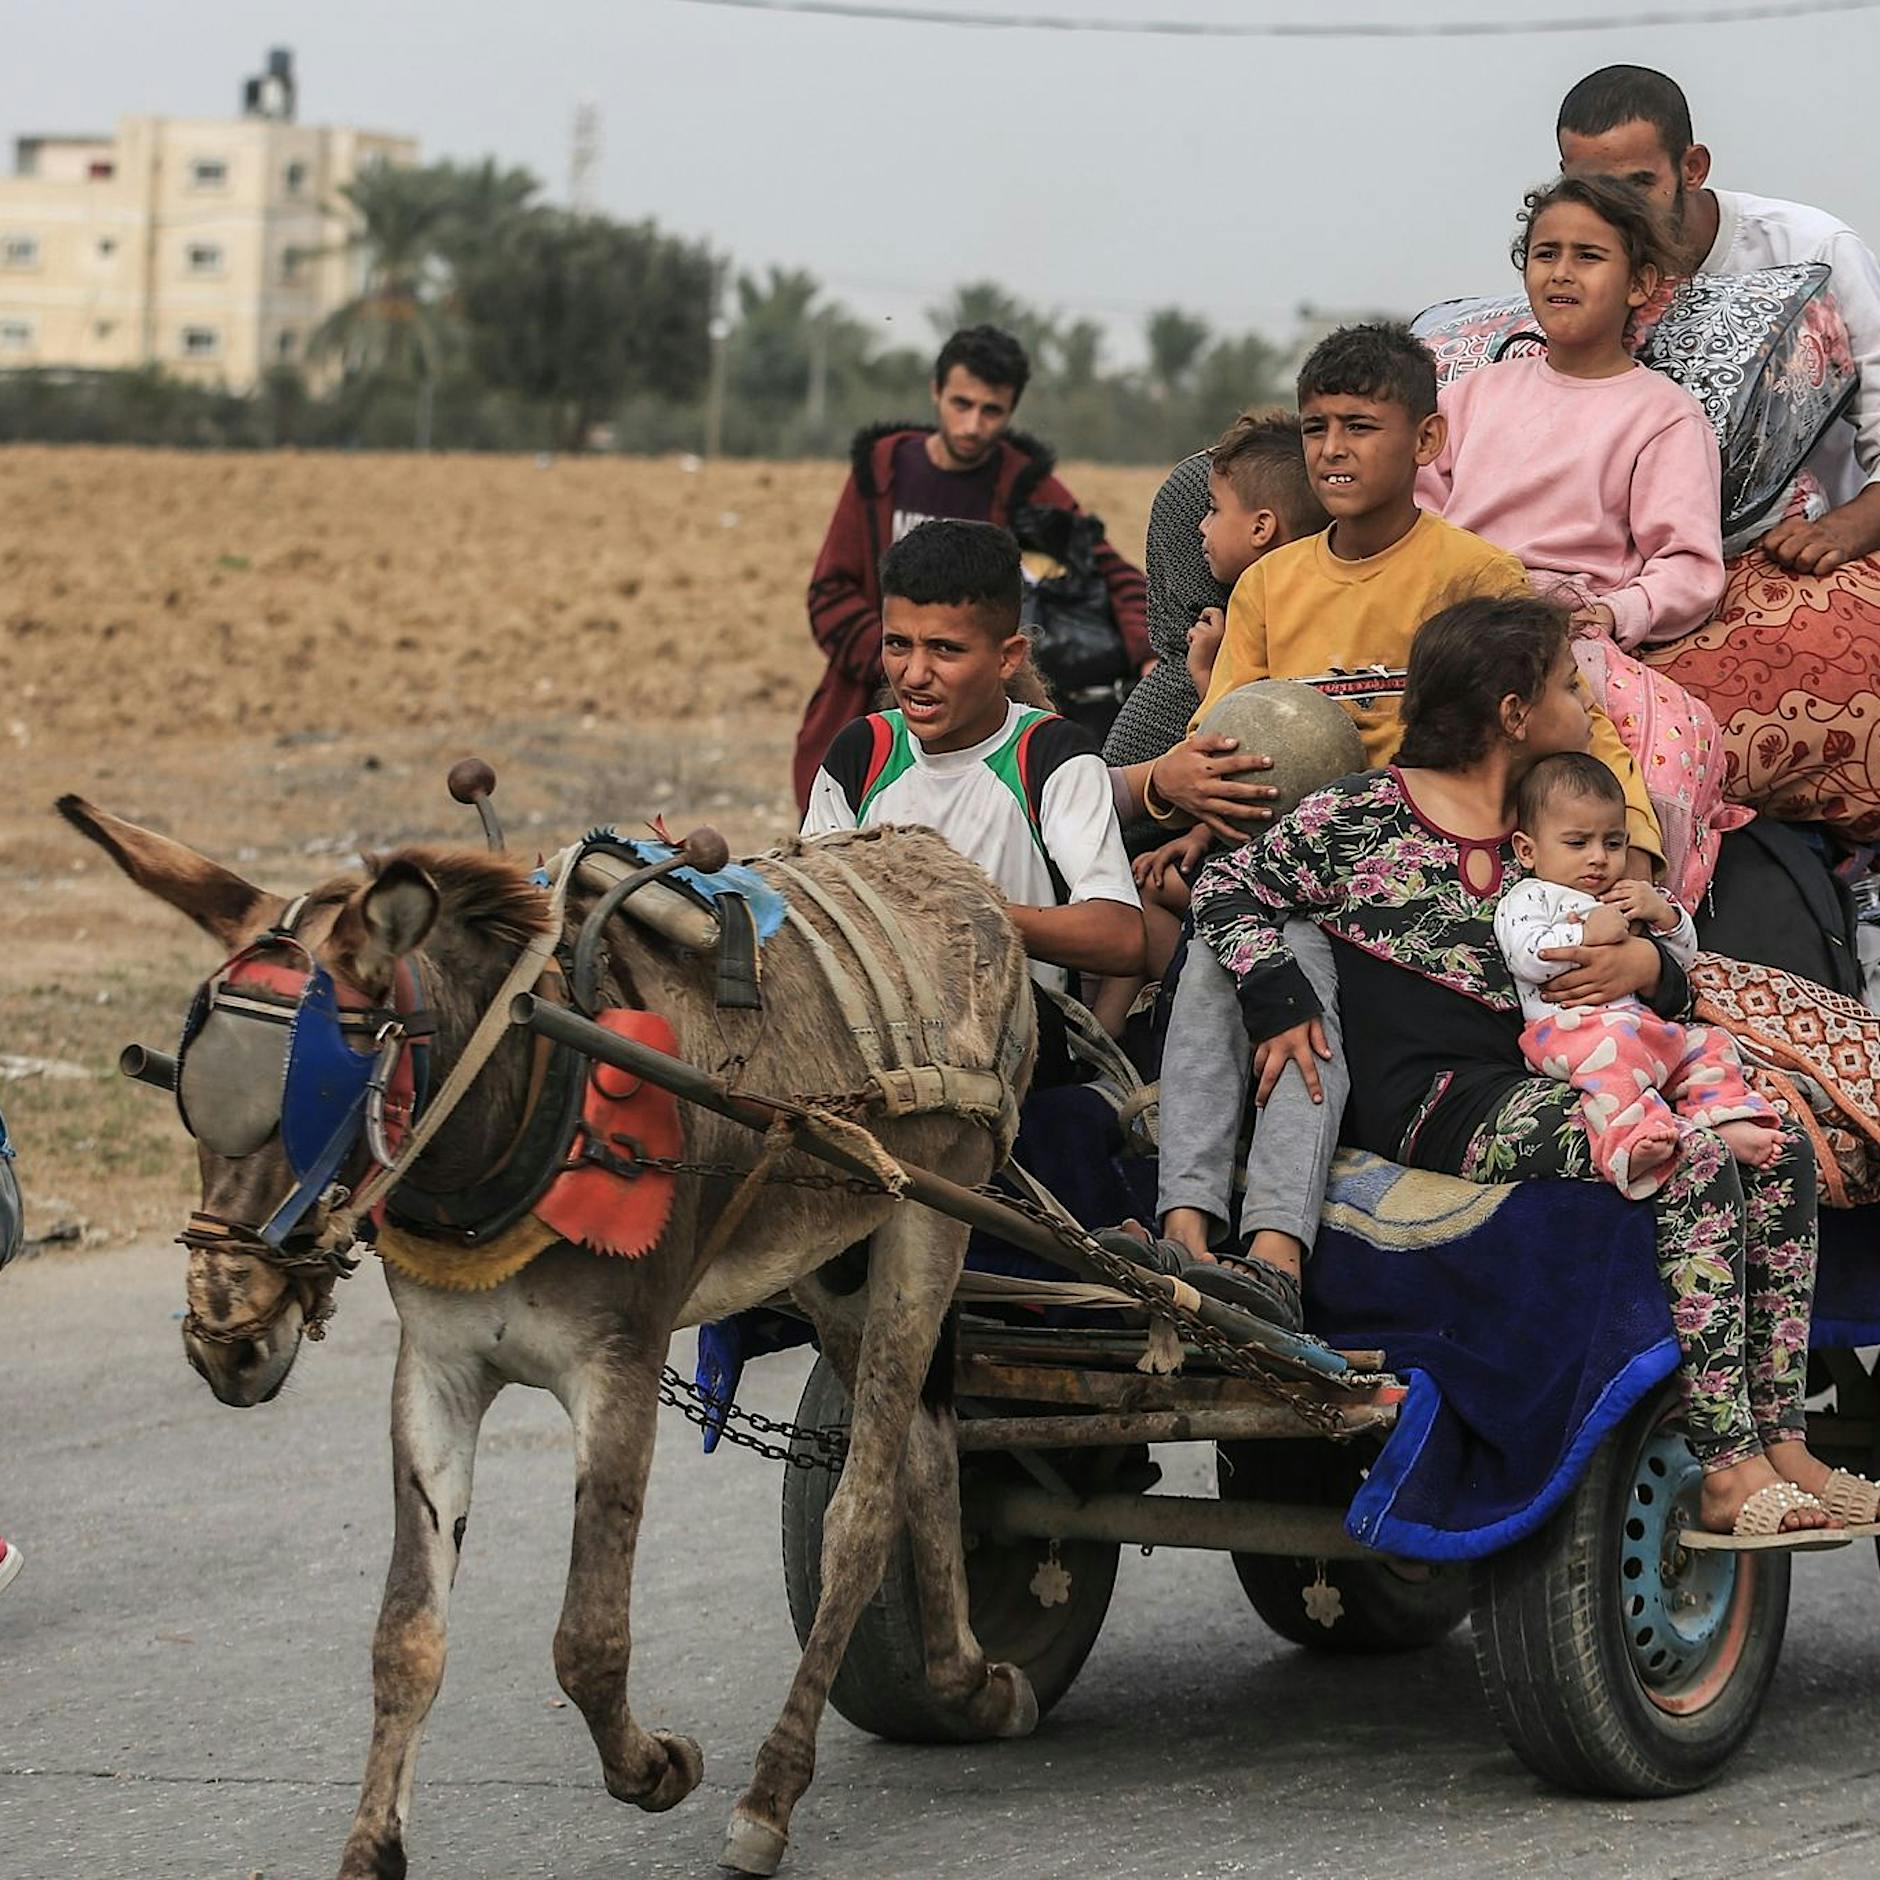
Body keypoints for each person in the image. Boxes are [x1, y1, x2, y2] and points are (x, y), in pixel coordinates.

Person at [1190, 593, 1874, 1545]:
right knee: (1690, 1159)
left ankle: (1783, 1439)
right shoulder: (1362, 816)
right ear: (1514, 712)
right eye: (1564, 685)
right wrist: (1280, 995)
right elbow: (1226, 888)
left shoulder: (1557, 826)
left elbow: (1652, 962)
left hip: (1560, 1073)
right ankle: (1728, 1469)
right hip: (1438, 1099)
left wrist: (1651, 969)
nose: (1584, 700)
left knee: (1779, 1147)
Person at [1151, 323, 1663, 1333]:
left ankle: (1271, 1253)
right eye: (1316, 429)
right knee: (1233, 938)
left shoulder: (1472, 573)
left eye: (1359, 426)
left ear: (1427, 441)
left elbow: (1575, 727)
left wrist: (1629, 862)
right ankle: (1183, 1237)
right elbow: (1226, 734)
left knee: (1278, 963)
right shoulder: (1268, 584)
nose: (1333, 449)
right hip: (1298, 861)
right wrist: (1190, 813)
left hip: (1406, 873)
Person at [801, 520, 1145, 1024]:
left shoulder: (1049, 755)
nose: (914, 674)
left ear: (1008, 658)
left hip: (1020, 1045)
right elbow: (811, 907)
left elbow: (1120, 935)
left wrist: (958, 911)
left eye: (945, 649)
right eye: (897, 644)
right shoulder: (863, 752)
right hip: (881, 1038)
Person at [793, 325, 1149, 808]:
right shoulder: (882, 472)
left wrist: (1148, 653)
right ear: (936, 391)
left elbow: (1108, 570)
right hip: (862, 715)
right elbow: (830, 595)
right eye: (961, 404)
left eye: (991, 410)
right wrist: (899, 663)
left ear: (1011, 410)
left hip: (976, 732)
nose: (972, 426)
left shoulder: (1022, 484)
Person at [1557, 63, 1880, 575]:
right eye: (1592, 190)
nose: (1617, 210)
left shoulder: (1815, 251)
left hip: (1800, 553)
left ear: (1692, 168)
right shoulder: (1574, 272)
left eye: (1638, 184)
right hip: (1642, 566)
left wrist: (1845, 529)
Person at [1090, 413, 1328, 1032]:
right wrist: (1198, 832)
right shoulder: (1267, 603)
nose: (1200, 526)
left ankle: (1123, 1030)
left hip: (1263, 847)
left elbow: (1241, 742)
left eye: (1214, 510)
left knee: (1142, 894)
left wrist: (1202, 670)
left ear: (1261, 528)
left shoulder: (1269, 616)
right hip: (1231, 833)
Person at [1419, 173, 1725, 649]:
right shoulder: (1469, 395)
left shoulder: (1664, 418)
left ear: (1639, 283)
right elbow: (1416, 517)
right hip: (1452, 619)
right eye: (1546, 254)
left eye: (1588, 256)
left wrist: (1616, 612)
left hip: (1569, 633)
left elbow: (1689, 565)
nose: (1561, 272)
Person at [1496, 751, 1779, 1199]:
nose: (1598, 859)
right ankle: (1631, 1141)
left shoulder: (1624, 894)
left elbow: (1683, 958)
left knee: (1709, 1043)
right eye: (1577, 843)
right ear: (1527, 850)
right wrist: (1585, 931)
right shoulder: (1531, 897)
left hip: (1640, 1030)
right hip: (1571, 1033)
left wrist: (1664, 914)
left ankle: (1722, 1114)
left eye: (1613, 844)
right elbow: (1526, 957)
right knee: (1616, 1060)